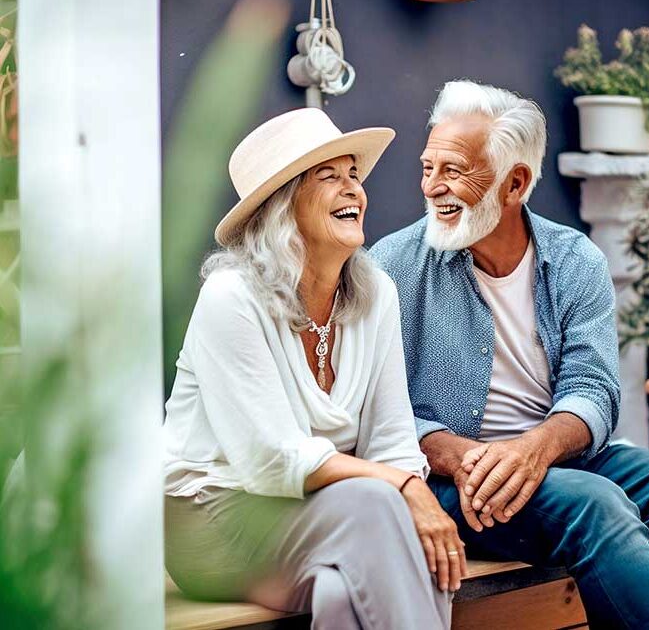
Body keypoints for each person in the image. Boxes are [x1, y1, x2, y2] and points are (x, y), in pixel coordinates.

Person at [370, 80, 649, 629]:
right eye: (427, 166)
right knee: (596, 504)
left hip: (554, 457)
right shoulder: (391, 264)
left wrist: (534, 449)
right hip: (455, 479)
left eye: (453, 170)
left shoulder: (575, 259)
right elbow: (375, 406)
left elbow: (595, 387)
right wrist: (461, 456)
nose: (432, 187)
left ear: (515, 184)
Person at [163, 108, 460, 630]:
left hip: (322, 514)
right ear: (283, 206)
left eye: (353, 175)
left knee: (345, 590)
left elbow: (393, 442)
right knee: (379, 503)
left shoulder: (376, 297)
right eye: (329, 177)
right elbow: (269, 459)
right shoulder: (231, 296)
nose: (353, 190)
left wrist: (408, 487)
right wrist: (405, 488)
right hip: (213, 516)